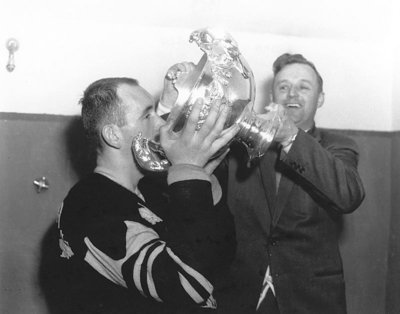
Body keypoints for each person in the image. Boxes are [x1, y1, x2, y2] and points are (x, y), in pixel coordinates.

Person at [56, 77, 238, 313]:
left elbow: (221, 259)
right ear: (113, 135)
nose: (161, 125)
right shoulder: (88, 206)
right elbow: (187, 287)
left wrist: (201, 183)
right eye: (147, 115)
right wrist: (188, 172)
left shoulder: (151, 188)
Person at [224, 53, 366, 313]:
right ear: (272, 98)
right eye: (283, 87)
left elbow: (348, 195)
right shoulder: (243, 145)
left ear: (320, 99)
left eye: (303, 87)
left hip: (311, 297)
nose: (292, 94)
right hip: (243, 293)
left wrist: (291, 136)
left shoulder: (339, 146)